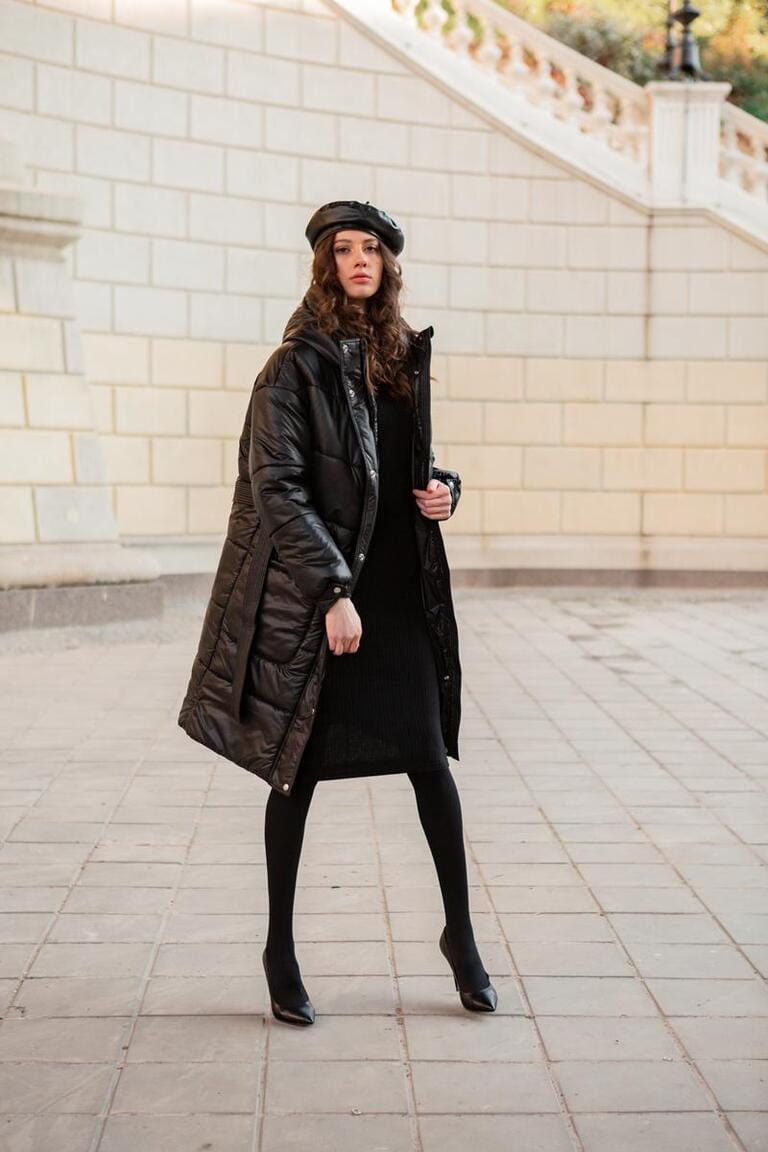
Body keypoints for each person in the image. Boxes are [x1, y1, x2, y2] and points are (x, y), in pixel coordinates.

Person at [178, 199, 497, 1027]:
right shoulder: (294, 368)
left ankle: (461, 938)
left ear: (390, 265)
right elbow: (274, 489)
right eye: (343, 250)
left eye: (373, 250)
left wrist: (445, 489)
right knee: (298, 773)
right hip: (334, 601)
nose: (360, 260)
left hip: (400, 598)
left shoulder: (399, 356)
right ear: (325, 266)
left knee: (432, 767)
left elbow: (396, 462)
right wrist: (330, 593)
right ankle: (279, 949)